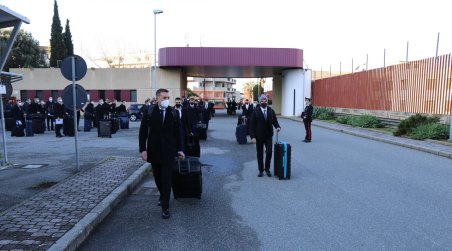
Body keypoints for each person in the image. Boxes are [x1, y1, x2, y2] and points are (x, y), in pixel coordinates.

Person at [139, 88, 185, 219]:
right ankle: (162, 195)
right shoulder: (149, 111)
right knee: (158, 178)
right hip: (154, 151)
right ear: (157, 98)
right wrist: (143, 149)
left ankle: (165, 207)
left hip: (169, 152)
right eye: (164, 98)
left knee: (166, 179)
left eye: (168, 98)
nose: (167, 100)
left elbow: (179, 133)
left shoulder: (174, 112)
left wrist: (180, 149)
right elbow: (143, 132)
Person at [249, 94, 281, 177]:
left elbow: (275, 121)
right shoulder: (255, 111)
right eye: (262, 101)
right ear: (260, 102)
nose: (264, 102)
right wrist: (253, 137)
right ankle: (261, 170)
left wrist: (277, 126)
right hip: (258, 136)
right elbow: (251, 125)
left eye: (265, 100)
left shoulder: (271, 110)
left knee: (269, 152)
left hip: (268, 136)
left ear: (267, 101)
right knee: (260, 154)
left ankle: (267, 169)